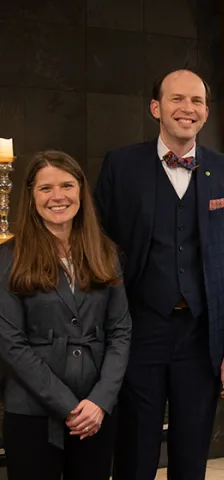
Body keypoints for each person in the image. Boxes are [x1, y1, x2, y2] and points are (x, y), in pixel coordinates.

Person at [94, 68, 224, 480]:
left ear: (206, 111)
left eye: (197, 101)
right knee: (135, 448)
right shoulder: (121, 164)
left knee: (192, 449)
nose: (188, 108)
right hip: (138, 328)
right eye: (177, 99)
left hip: (202, 335)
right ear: (155, 108)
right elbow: (97, 249)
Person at [0, 150, 131, 480]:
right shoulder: (8, 258)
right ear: (31, 196)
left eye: (67, 185)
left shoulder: (106, 252)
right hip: (32, 413)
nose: (57, 196)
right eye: (45, 188)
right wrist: (69, 407)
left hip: (96, 413)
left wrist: (100, 401)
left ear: (81, 192)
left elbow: (120, 331)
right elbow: (11, 344)